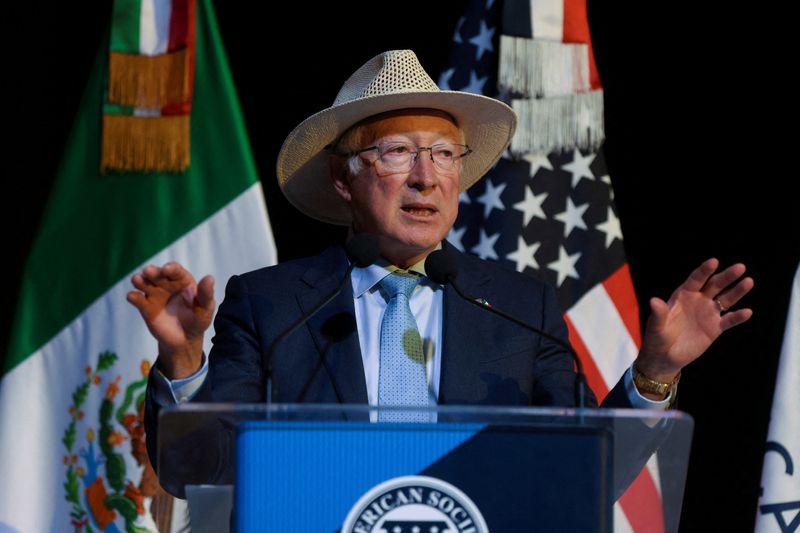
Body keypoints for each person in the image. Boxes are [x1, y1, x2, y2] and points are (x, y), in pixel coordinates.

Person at [129, 50, 753, 487]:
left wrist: (655, 372)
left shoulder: (521, 309)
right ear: (343, 180)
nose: (426, 176)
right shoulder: (272, 305)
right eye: (397, 152)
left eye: (443, 154)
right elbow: (199, 472)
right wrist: (185, 362)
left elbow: (589, 472)